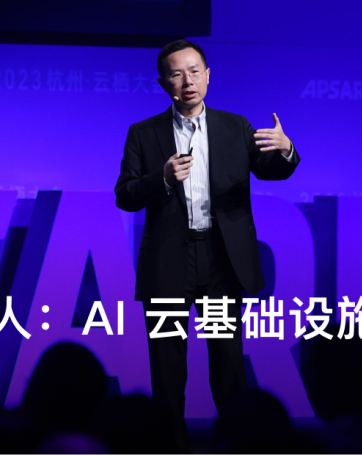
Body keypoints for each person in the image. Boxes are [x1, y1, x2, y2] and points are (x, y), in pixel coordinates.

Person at [113, 39, 301, 454]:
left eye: (195, 71)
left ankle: (238, 446)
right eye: (177, 74)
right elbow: (124, 194)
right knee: (167, 369)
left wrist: (286, 149)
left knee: (228, 364)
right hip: (169, 264)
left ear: (208, 75)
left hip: (220, 262)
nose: (188, 81)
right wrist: (162, 178)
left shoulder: (235, 127)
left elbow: (272, 170)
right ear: (163, 83)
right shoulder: (144, 133)